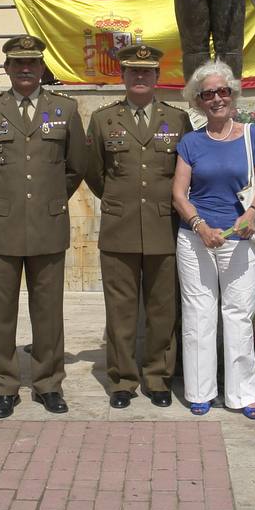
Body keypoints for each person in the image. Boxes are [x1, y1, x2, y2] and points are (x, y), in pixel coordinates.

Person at [0, 35, 87, 418]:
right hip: (0, 227)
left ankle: (48, 383)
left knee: (48, 312)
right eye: (17, 63)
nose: (24, 69)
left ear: (41, 68)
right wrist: (6, 198)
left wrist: (50, 198)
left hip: (48, 225)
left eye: (32, 62)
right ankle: (4, 386)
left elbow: (77, 166)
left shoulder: (65, 110)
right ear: (6, 68)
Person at [85, 44, 189, 409]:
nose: (140, 76)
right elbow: (94, 171)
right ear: (123, 76)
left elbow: (186, 172)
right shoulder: (103, 119)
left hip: (163, 226)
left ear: (158, 76)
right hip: (120, 227)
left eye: (147, 71)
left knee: (162, 310)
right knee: (121, 312)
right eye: (133, 71)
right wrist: (120, 200)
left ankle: (158, 377)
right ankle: (123, 380)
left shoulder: (177, 120)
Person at [171, 61, 255, 419]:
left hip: (239, 237)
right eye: (208, 94)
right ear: (198, 101)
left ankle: (243, 394)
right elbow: (179, 193)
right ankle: (200, 392)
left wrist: (252, 213)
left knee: (239, 315)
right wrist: (199, 226)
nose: (217, 99)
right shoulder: (191, 142)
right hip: (196, 239)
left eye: (223, 91)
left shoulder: (250, 135)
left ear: (233, 94)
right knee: (198, 315)